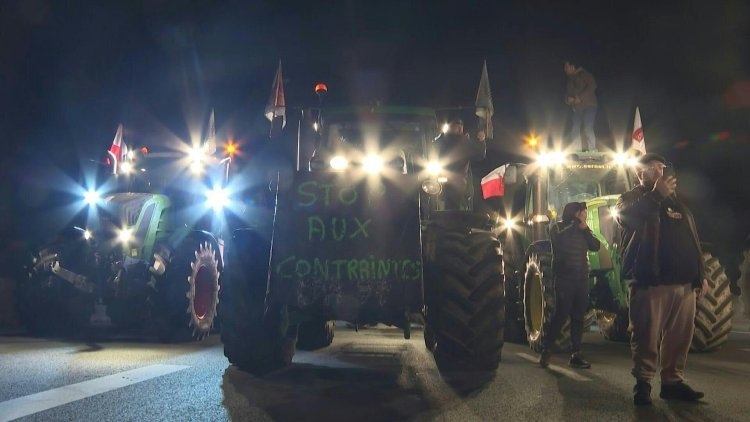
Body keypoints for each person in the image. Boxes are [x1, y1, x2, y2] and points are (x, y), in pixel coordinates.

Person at [615, 152, 709, 406]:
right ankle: (643, 384)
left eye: (662, 167)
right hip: (651, 281)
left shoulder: (678, 205)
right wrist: (656, 195)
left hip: (684, 284)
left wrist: (701, 275)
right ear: (640, 173)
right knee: (646, 334)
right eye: (654, 168)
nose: (660, 172)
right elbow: (627, 218)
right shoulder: (631, 199)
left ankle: (672, 383)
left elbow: (693, 240)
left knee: (680, 337)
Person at [539, 202, 600, 369]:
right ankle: (547, 350)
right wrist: (574, 225)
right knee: (560, 315)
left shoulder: (584, 230)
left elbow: (596, 246)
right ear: (574, 213)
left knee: (578, 318)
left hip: (581, 279)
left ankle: (576, 354)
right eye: (582, 212)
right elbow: (558, 242)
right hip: (564, 279)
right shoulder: (557, 228)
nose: (585, 215)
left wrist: (585, 229)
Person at [433, 119, 486, 210]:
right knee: (455, 207)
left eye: (460, 127)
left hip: (444, 180)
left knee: (445, 205)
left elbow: (479, 154)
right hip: (458, 182)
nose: (459, 129)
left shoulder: (443, 140)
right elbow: (480, 154)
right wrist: (481, 141)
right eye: (458, 127)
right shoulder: (464, 142)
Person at [564, 61, 598, 152]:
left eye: (566, 67)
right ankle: (577, 150)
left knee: (588, 127)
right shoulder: (569, 81)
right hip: (577, 108)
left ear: (572, 66)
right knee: (575, 128)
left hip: (589, 105)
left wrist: (580, 97)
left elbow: (592, 86)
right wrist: (569, 99)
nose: (565, 70)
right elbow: (567, 95)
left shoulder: (584, 74)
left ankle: (592, 150)